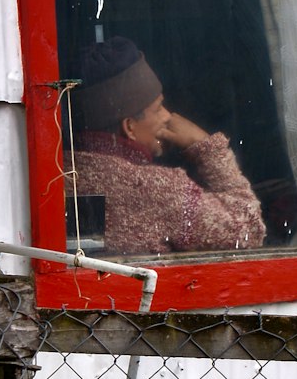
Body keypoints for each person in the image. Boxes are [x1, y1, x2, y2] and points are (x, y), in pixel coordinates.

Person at [69, 37, 265, 256]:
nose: (168, 116)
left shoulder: (57, 174)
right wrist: (208, 149)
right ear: (130, 127)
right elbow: (248, 231)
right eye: (158, 108)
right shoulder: (156, 189)